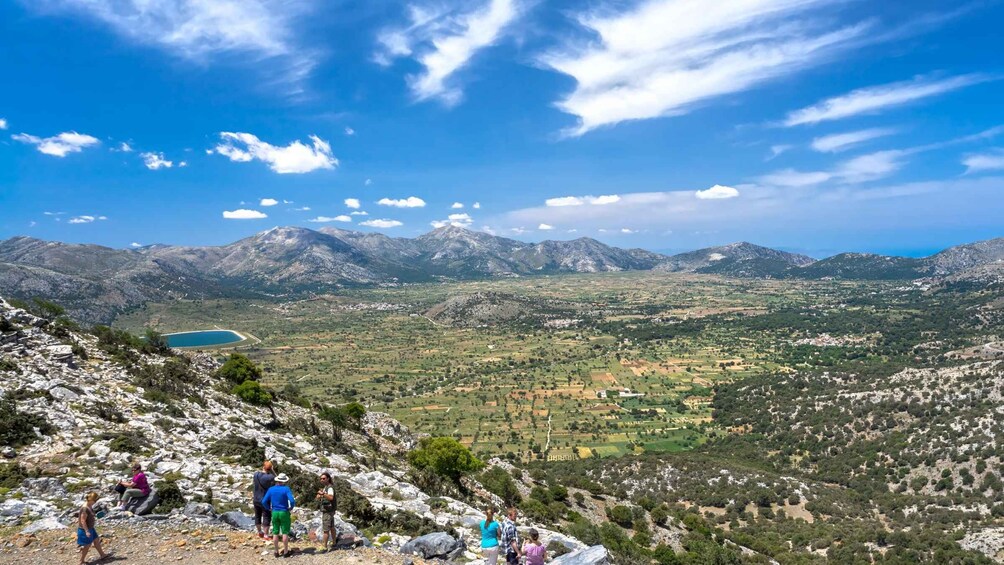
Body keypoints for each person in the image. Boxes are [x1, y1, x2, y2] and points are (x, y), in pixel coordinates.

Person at [261, 472, 296, 558]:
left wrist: (269, 508)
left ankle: (276, 551)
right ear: (284, 481)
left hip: (275, 512)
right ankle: (286, 551)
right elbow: (292, 500)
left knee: (275, 532)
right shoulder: (286, 489)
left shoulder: (271, 489)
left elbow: (264, 501)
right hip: (284, 511)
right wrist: (291, 507)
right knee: (285, 532)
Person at [78, 492, 108, 565]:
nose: (96, 502)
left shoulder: (89, 506)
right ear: (91, 500)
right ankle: (81, 560)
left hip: (91, 527)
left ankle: (102, 554)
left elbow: (90, 515)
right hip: (86, 529)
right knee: (87, 545)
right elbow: (83, 520)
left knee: (96, 540)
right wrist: (87, 531)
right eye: (95, 500)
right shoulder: (85, 508)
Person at [252, 461, 276, 539]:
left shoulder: (256, 474)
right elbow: (277, 479)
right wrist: (272, 471)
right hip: (265, 499)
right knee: (266, 516)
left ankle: (259, 532)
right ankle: (266, 534)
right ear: (270, 468)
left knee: (257, 515)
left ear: (263, 467)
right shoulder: (270, 477)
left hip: (256, 498)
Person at [315, 472, 338, 552]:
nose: (322, 480)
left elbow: (331, 497)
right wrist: (320, 496)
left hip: (328, 511)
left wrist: (323, 494)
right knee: (331, 527)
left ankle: (324, 547)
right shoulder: (326, 487)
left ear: (328, 478)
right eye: (321, 478)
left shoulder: (329, 488)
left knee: (326, 529)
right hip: (330, 510)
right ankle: (334, 543)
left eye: (324, 478)